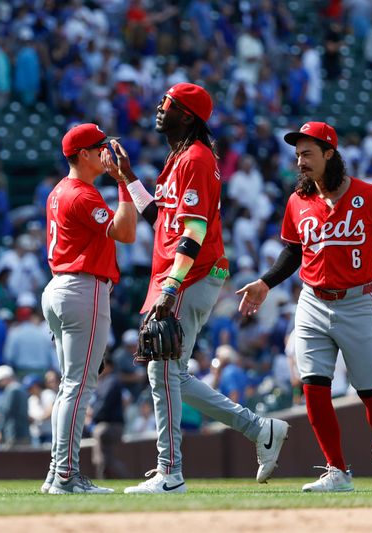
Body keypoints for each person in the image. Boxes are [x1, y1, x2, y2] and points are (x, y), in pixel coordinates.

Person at [107, 83, 289, 494]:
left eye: (166, 104)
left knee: (164, 372)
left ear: (187, 115)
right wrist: (129, 177)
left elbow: (195, 229)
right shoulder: (177, 159)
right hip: (177, 273)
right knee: (169, 373)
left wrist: (172, 285)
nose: (158, 107)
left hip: (190, 273)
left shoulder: (196, 158)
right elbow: (161, 218)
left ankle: (170, 471)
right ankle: (260, 429)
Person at [237, 121, 372, 492]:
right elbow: (292, 251)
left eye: (308, 153)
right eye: (298, 154)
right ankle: (337, 470)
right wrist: (264, 283)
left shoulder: (369, 194)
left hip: (357, 301)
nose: (300, 161)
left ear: (329, 154)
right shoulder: (297, 201)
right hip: (312, 302)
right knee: (314, 387)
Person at [40, 123, 137, 495]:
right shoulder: (80, 193)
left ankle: (56, 473)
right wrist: (124, 180)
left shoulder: (60, 191)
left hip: (61, 288)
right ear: (83, 153)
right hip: (83, 286)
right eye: (100, 147)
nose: (106, 152)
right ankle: (65, 475)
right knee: (79, 388)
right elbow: (126, 232)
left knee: (70, 387)